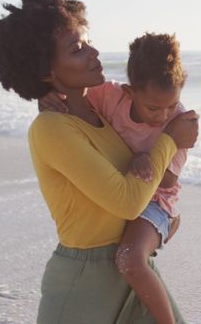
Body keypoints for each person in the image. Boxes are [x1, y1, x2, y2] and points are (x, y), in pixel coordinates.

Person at [0, 0, 198, 323]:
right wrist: (170, 139)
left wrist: (161, 224)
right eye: (77, 50)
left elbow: (143, 185)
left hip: (132, 273)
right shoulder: (51, 129)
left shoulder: (103, 114)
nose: (94, 53)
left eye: (87, 43)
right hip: (84, 284)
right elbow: (128, 201)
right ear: (47, 70)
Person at [40, 32, 190, 324]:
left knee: (130, 260)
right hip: (123, 197)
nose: (162, 117)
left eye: (171, 106)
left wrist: (150, 154)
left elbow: (169, 181)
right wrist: (44, 95)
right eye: (153, 108)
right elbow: (70, 98)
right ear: (130, 92)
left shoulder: (180, 121)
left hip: (155, 204)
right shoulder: (109, 96)